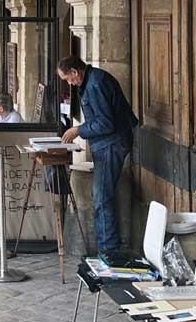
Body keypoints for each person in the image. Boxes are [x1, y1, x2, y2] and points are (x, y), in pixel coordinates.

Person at [57, 56, 138, 253]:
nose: (69, 83)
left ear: (75, 72)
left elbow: (105, 123)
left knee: (101, 197)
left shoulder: (95, 85)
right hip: (106, 143)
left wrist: (79, 130)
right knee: (101, 195)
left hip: (112, 144)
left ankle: (108, 251)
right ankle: (107, 248)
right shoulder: (92, 80)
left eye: (68, 79)